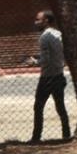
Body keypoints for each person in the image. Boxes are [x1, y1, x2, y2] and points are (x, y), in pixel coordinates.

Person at [31, 9, 70, 142]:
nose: (35, 22)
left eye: (38, 20)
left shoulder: (44, 37)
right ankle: (66, 133)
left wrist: (35, 62)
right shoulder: (58, 34)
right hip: (59, 75)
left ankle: (36, 137)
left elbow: (46, 59)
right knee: (60, 106)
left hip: (48, 77)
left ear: (46, 21)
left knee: (38, 107)